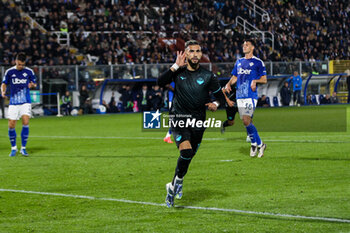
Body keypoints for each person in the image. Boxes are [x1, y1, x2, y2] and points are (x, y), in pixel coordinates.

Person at [158, 40, 224, 208]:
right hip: (179, 118)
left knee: (188, 157)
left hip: (198, 121)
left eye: (198, 51)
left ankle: (172, 185)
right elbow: (160, 82)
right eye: (192, 51)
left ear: (201, 54)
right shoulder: (177, 72)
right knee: (186, 151)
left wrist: (215, 104)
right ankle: (177, 182)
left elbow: (220, 97)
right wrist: (174, 66)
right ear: (185, 54)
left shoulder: (209, 76)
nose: (195, 54)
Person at [225, 38, 267, 158]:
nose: (244, 46)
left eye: (247, 45)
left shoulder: (258, 62)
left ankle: (257, 144)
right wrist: (228, 84)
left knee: (246, 120)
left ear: (252, 47)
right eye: (243, 45)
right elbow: (235, 77)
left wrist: (255, 80)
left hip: (250, 95)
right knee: (246, 122)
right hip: (240, 95)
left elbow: (264, 79)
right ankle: (257, 144)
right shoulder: (239, 62)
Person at [1, 53, 37, 156]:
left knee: (25, 122)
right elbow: (4, 83)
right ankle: (14, 148)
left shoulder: (29, 71)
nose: (21, 66)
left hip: (25, 101)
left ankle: (23, 148)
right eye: (19, 64)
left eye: (22, 64)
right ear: (15, 61)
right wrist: (3, 91)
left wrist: (32, 85)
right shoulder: (9, 72)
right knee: (11, 124)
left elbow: (34, 84)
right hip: (14, 102)